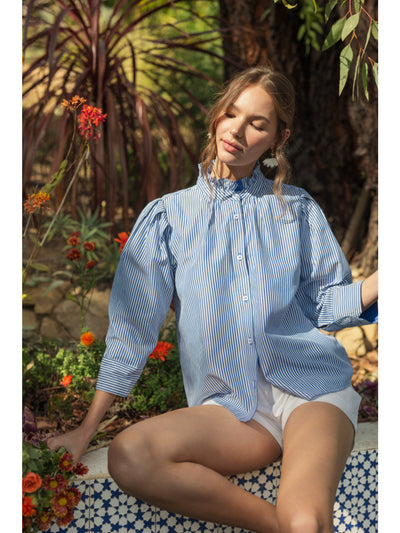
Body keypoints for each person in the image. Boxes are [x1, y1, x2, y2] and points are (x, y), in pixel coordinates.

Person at [47, 66, 378, 533]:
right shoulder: (167, 218)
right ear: (216, 115)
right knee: (131, 455)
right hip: (233, 409)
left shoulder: (299, 211)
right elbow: (132, 333)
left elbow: (327, 305)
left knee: (306, 519)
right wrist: (85, 430)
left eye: (257, 124)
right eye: (232, 114)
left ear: (278, 138)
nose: (238, 131)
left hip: (312, 391)